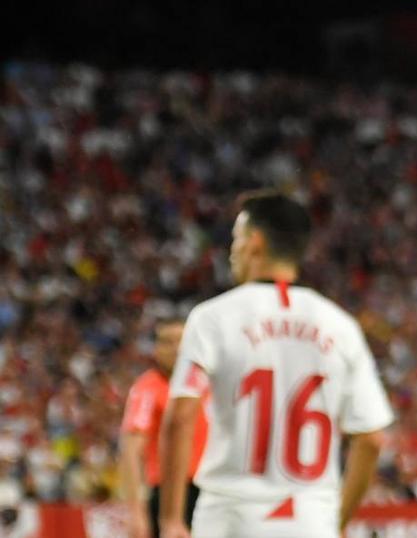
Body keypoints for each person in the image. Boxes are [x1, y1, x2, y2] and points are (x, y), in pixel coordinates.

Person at [158, 191, 394, 538]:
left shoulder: (212, 318)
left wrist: (170, 519)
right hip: (310, 518)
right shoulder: (340, 326)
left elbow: (180, 417)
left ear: (255, 242)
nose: (231, 249)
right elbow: (371, 439)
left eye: (236, 238)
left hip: (229, 517)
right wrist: (337, 522)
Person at [118, 318, 210, 538]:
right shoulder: (148, 388)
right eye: (167, 342)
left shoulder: (206, 383)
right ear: (156, 349)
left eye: (181, 341)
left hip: (210, 489)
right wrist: (136, 511)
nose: (176, 349)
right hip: (170, 493)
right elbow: (131, 451)